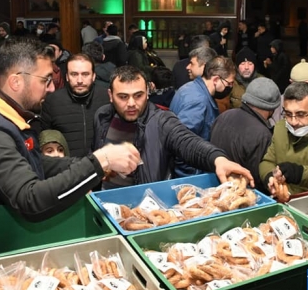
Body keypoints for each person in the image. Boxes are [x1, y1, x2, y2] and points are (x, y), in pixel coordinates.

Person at [0, 37, 141, 221]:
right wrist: (99, 162)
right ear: (16, 82)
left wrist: (93, 166)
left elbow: (33, 161)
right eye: (45, 80)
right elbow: (30, 200)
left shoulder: (0, 110)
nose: (50, 89)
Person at [93, 65, 253, 189]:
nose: (131, 103)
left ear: (148, 92)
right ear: (110, 96)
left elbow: (188, 142)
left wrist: (218, 159)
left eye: (138, 95)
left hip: (142, 209)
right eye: (123, 97)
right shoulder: (102, 116)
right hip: (106, 203)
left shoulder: (161, 120)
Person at [211, 78, 280, 194]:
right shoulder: (262, 135)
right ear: (271, 108)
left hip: (214, 189)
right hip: (241, 197)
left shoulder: (224, 116)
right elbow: (258, 179)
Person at [33, 53, 110, 157]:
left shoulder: (106, 98)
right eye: (74, 74)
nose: (79, 80)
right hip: (66, 169)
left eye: (85, 74)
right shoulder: (53, 101)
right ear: (67, 77)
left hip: (103, 166)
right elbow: (44, 139)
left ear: (93, 76)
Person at [170, 56, 236, 177]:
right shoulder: (199, 102)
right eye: (229, 83)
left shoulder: (189, 87)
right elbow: (182, 145)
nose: (230, 87)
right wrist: (193, 178)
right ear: (216, 79)